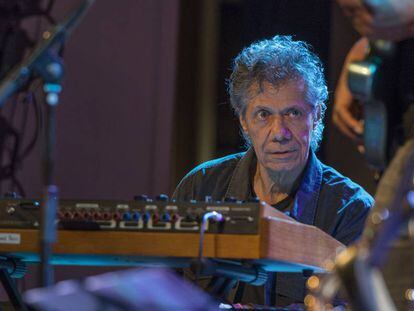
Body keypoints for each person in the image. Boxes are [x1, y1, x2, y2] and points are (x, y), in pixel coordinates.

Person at [173, 35, 374, 307]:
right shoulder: (200, 186)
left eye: (293, 113)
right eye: (263, 115)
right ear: (244, 121)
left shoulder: (352, 211)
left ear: (316, 116)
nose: (279, 133)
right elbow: (161, 293)